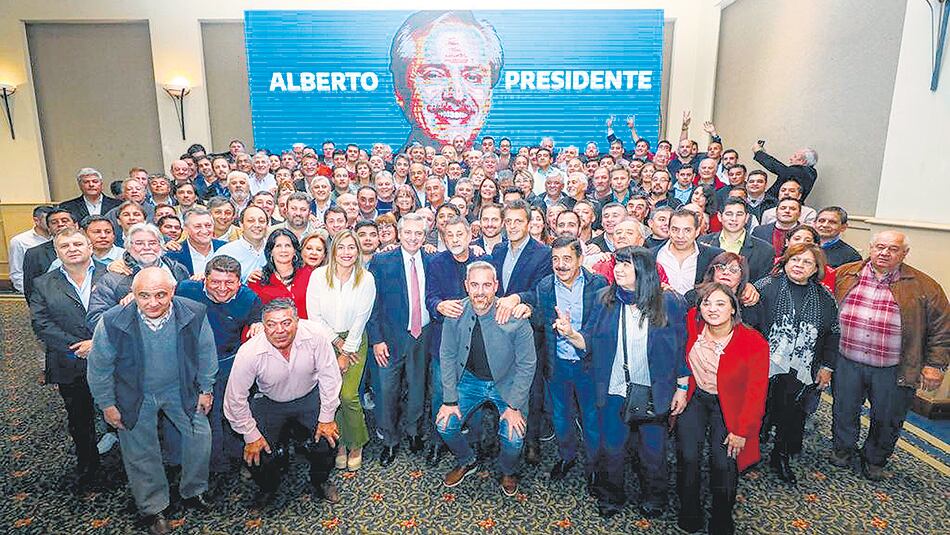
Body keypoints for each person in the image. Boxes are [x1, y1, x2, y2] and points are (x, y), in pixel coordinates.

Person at [86, 268, 217, 534]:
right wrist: (107, 405)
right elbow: (99, 368)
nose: (152, 302)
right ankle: (153, 507)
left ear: (172, 292)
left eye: (160, 295)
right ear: (133, 295)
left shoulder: (193, 312)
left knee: (200, 435)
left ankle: (193, 490)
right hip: (134, 394)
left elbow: (206, 351)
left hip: (179, 388)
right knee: (139, 449)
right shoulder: (112, 321)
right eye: (144, 296)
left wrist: (206, 388)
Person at [575, 246, 688, 517]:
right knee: (611, 449)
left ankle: (654, 498)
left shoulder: (668, 302)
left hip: (653, 391)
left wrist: (682, 388)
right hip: (614, 390)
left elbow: (680, 348)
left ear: (644, 271)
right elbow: (587, 340)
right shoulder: (605, 298)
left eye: (627, 265)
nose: (619, 269)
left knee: (653, 454)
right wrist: (570, 334)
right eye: (618, 263)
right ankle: (611, 496)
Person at [831, 231, 948, 480]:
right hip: (846, 359)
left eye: (893, 249)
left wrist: (935, 365)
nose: (884, 253)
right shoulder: (845, 274)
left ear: (904, 254)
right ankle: (843, 449)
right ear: (870, 248)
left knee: (887, 416)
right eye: (880, 247)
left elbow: (942, 328)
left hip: (893, 367)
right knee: (843, 408)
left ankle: (875, 458)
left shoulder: (924, 286)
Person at [224, 298, 343, 507]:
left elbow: (330, 376)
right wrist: (250, 434)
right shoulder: (249, 352)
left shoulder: (316, 335)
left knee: (328, 440)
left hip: (308, 396)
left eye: (286, 323)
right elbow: (235, 399)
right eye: (271, 324)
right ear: (264, 326)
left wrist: (327, 418)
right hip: (271, 401)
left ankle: (321, 480)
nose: (280, 330)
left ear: (297, 321)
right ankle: (268, 487)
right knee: (256, 450)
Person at [435, 261, 536, 496]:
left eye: (486, 285)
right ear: (466, 286)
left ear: (496, 286)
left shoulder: (515, 316)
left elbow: (527, 364)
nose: (480, 292)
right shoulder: (456, 312)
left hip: (506, 384)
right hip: (469, 381)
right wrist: (449, 400)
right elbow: (447, 356)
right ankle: (467, 460)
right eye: (475, 285)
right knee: (444, 424)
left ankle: (508, 470)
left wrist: (513, 406)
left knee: (513, 436)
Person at [677, 283, 769, 535]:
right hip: (695, 398)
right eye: (706, 303)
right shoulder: (691, 324)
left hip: (730, 406)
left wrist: (742, 430)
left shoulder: (753, 342)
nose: (712, 309)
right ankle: (689, 512)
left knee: (723, 461)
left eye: (720, 303)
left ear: (733, 308)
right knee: (688, 457)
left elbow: (756, 393)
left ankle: (721, 518)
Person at [746, 243, 840, 484]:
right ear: (785, 262)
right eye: (794, 260)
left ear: (816, 268)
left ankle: (781, 456)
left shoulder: (825, 297)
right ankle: (749, 455)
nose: (799, 266)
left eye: (806, 262)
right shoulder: (764, 287)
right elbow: (747, 325)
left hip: (801, 368)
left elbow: (833, 333)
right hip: (762, 363)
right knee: (756, 410)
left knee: (790, 413)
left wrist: (827, 367)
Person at [524, 236, 607, 484]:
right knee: (561, 418)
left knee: (592, 420)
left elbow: (602, 329)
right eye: (555, 259)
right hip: (557, 364)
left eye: (567, 259)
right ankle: (566, 457)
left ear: (580, 259)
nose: (560, 265)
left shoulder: (598, 285)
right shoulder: (545, 286)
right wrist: (528, 311)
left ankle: (594, 467)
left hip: (588, 365)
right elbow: (540, 322)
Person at [28, 228, 106, 490]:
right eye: (65, 246)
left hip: (111, 359)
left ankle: (129, 467)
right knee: (79, 418)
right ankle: (88, 466)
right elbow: (41, 323)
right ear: (57, 252)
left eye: (77, 243)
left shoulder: (113, 276)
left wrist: (97, 343)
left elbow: (124, 315)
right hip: (69, 360)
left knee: (119, 415)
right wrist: (76, 347)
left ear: (90, 247)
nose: (72, 249)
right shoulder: (43, 283)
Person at [176, 256, 263, 475]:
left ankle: (237, 457)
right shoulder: (186, 289)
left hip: (228, 363)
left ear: (239, 283)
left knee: (232, 412)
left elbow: (258, 320)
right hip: (192, 364)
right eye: (215, 282)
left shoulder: (249, 298)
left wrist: (258, 324)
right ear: (204, 279)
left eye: (229, 283)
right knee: (205, 417)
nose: (222, 288)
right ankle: (214, 468)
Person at [486, 200, 553, 463]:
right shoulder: (499, 250)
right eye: (509, 221)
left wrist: (517, 298)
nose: (513, 226)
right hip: (498, 331)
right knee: (496, 383)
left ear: (529, 224)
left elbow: (542, 288)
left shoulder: (543, 253)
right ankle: (496, 436)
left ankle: (531, 439)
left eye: (518, 221)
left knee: (531, 388)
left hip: (527, 331)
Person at [305, 229, 376, 472]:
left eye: (351, 247)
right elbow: (313, 315)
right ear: (333, 250)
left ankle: (357, 443)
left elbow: (361, 319)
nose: (346, 252)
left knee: (348, 395)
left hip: (355, 341)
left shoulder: (365, 278)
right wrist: (336, 342)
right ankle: (341, 444)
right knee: (330, 395)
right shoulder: (317, 276)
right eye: (342, 247)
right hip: (324, 340)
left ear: (358, 251)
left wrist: (346, 352)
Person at [367, 213, 430, 466]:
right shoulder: (381, 261)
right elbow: (371, 305)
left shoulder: (432, 259)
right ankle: (390, 441)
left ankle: (414, 433)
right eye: (408, 233)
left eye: (419, 233)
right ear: (399, 233)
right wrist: (376, 340)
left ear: (424, 236)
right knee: (386, 392)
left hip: (422, 335)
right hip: (389, 339)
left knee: (417, 389)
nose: (413, 238)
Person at [86, 223, 191, 329]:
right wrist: (130, 308)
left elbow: (191, 308)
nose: (146, 248)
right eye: (139, 243)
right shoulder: (112, 279)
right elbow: (95, 319)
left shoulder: (178, 270)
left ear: (161, 246)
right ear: (129, 248)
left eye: (152, 243)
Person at [698, 198, 774, 282]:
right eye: (729, 214)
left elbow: (765, 283)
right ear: (719, 216)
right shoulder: (703, 241)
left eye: (739, 214)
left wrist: (752, 287)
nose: (734, 219)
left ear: (747, 218)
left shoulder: (765, 250)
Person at [652, 209, 724, 295]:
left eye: (687, 230)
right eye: (675, 230)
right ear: (669, 230)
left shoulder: (714, 256)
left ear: (697, 231)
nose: (680, 236)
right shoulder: (652, 255)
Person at [248, 229, 313, 318]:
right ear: (270, 252)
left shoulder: (309, 275)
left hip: (306, 328)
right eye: (278, 246)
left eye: (288, 246)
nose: (283, 250)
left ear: (294, 251)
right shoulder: (258, 279)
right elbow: (252, 315)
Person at [22, 208, 77, 301]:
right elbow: (30, 289)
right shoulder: (34, 254)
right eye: (54, 222)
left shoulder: (88, 248)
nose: (60, 224)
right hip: (52, 307)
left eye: (65, 220)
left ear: (75, 225)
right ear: (49, 229)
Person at [210, 205, 269, 282]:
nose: (257, 225)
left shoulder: (275, 250)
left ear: (267, 226)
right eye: (251, 221)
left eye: (261, 221)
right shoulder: (226, 252)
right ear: (241, 225)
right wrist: (244, 282)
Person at [164, 207, 226, 276]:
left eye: (208, 226)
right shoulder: (173, 254)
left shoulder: (225, 248)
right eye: (198, 226)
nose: (204, 231)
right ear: (185, 229)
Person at [8, 205, 53, 293]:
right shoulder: (19, 241)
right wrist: (30, 294)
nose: (52, 223)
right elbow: (17, 273)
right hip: (35, 291)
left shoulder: (59, 238)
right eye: (48, 220)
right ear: (36, 220)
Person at [752, 142, 818, 201]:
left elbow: (775, 166)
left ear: (803, 161)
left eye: (795, 156)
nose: (791, 158)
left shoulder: (799, 172)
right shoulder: (809, 173)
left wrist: (759, 152)